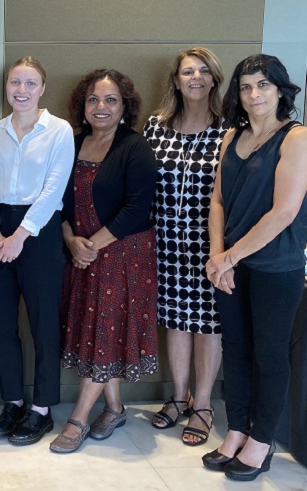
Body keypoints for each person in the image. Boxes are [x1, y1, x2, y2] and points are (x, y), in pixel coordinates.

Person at [202, 54, 307, 482]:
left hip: (274, 267)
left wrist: (229, 257)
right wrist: (217, 257)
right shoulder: (231, 137)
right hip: (230, 265)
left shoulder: (297, 138)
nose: (253, 94)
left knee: (269, 355)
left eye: (262, 85)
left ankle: (261, 440)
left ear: (280, 89)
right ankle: (237, 430)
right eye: (245, 87)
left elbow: (283, 212)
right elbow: (218, 202)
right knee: (237, 352)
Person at [49, 69, 159, 454]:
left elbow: (136, 209)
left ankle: (78, 419)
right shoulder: (71, 142)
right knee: (96, 331)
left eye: (111, 100)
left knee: (105, 329)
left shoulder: (135, 147)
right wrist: (70, 240)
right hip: (80, 253)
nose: (101, 107)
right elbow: (55, 200)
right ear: (83, 105)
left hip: (124, 256)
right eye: (94, 99)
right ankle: (113, 408)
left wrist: (90, 246)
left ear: (125, 107)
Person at [0, 56, 73, 446]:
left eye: (30, 83)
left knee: (43, 324)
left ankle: (42, 409)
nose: (21, 90)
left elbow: (53, 190)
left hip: (40, 233)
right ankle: (14, 402)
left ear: (42, 88)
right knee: (2, 324)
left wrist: (19, 237)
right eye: (15, 82)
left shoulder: (59, 131)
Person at [143, 47, 227, 446]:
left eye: (202, 71)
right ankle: (178, 397)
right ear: (175, 80)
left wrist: (224, 250)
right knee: (176, 320)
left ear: (214, 78)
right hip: (164, 240)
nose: (195, 77)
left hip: (210, 243)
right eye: (187, 71)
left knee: (209, 325)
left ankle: (204, 404)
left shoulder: (230, 129)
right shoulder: (156, 126)